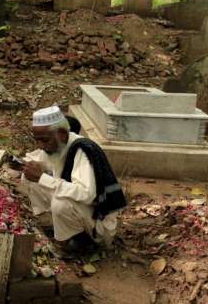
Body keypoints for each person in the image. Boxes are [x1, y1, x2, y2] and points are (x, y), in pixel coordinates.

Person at [18, 106, 127, 251]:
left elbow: (86, 194)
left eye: (44, 140)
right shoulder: (54, 145)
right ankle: (56, 226)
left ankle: (81, 243)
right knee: (30, 177)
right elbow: (37, 160)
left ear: (62, 134)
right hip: (83, 212)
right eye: (37, 140)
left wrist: (42, 178)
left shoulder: (83, 150)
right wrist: (21, 164)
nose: (41, 146)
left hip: (99, 223)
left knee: (61, 202)